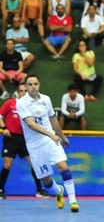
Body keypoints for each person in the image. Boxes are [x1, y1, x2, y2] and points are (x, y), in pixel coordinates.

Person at [15, 75, 79, 212]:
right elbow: (31, 124)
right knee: (46, 181)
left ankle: (73, 201)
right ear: (26, 87)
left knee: (63, 166)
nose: (33, 87)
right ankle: (58, 191)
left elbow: (52, 119)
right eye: (30, 84)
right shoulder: (21, 103)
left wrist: (61, 136)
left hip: (50, 140)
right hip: (34, 145)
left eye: (35, 84)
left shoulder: (46, 99)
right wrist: (51, 134)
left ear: (39, 84)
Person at [0, 81, 48, 198]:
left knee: (34, 163)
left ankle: (39, 190)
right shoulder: (11, 103)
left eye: (25, 91)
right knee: (8, 164)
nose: (23, 93)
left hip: (26, 138)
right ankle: (0, 190)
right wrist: (4, 128)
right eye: (21, 91)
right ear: (17, 92)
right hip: (11, 138)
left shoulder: (32, 107)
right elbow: (0, 116)